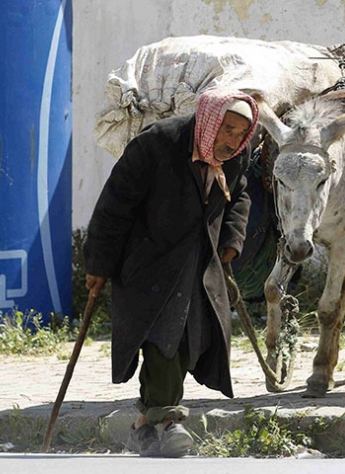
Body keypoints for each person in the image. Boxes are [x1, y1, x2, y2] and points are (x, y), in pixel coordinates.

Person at [83, 88, 258, 457]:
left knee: (189, 339)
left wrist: (231, 238)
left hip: (198, 265)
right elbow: (115, 204)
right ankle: (168, 420)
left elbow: (239, 194)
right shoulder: (159, 143)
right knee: (163, 337)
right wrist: (99, 264)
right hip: (149, 263)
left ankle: (143, 427)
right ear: (210, 121)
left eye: (241, 133)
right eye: (227, 129)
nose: (233, 140)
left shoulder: (234, 157)